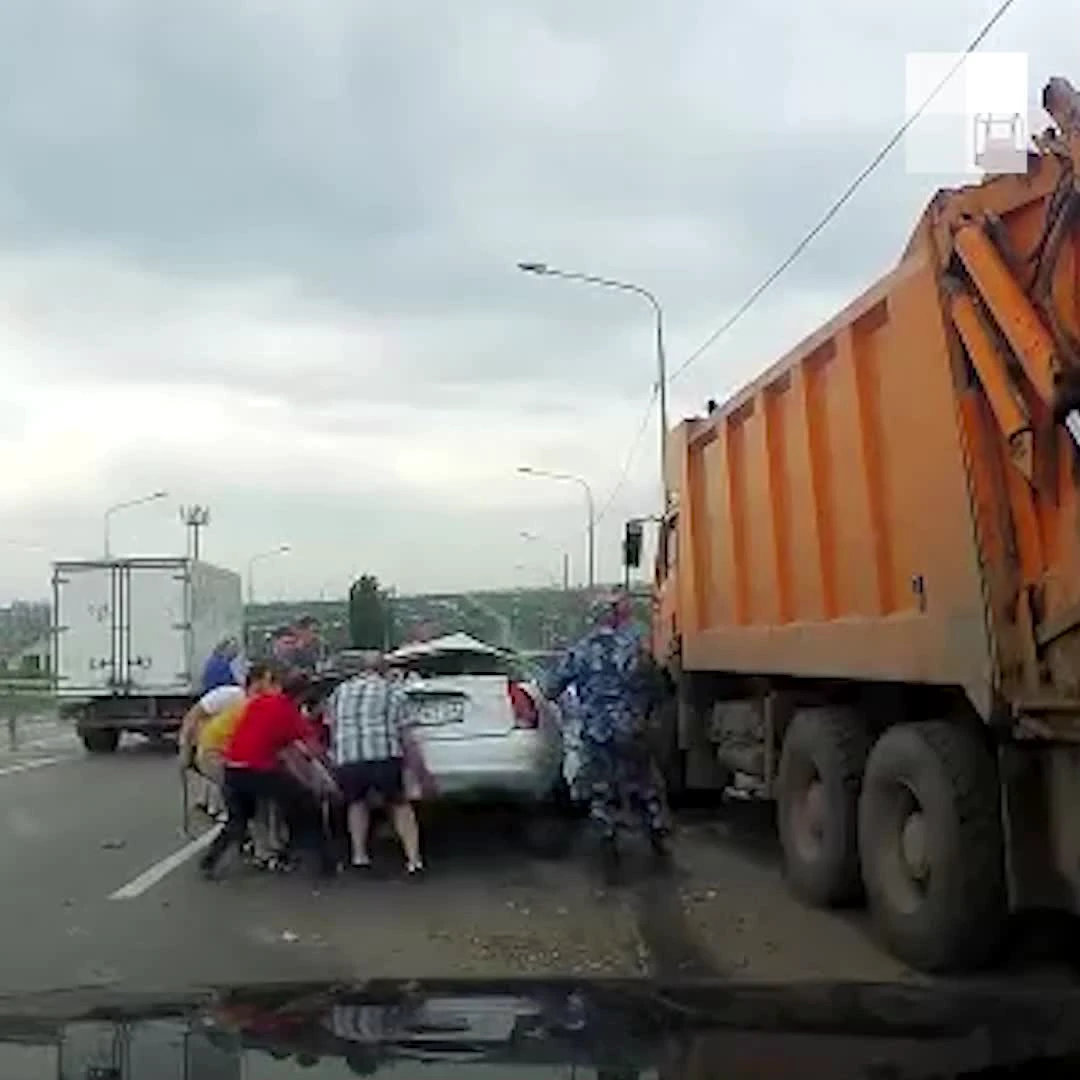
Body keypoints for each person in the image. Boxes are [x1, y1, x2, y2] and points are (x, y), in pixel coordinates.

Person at [541, 590, 671, 878]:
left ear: (593, 619)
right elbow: (659, 688)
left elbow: (551, 688)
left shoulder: (580, 651)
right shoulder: (636, 648)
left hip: (597, 730)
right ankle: (656, 829)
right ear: (615, 617)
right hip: (633, 726)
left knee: (601, 786)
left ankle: (608, 836)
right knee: (643, 779)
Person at [198, 663, 335, 880]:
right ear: (302, 695)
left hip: (233, 768)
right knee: (307, 803)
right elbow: (312, 749)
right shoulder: (290, 713)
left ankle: (209, 862)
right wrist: (330, 768)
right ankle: (321, 860)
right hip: (258, 770)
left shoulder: (259, 702)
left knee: (238, 820)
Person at [321, 651, 427, 876]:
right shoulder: (393, 692)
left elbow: (330, 725)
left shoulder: (339, 693)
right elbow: (406, 735)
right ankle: (413, 860)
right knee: (399, 804)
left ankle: (360, 857)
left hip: (349, 758)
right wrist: (419, 771)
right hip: (383, 756)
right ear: (384, 670)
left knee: (357, 803)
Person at [179, 678, 247, 819]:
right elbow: (191, 718)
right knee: (221, 775)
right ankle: (219, 810)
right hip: (206, 741)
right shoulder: (228, 696)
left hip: (221, 743)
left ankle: (211, 805)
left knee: (220, 776)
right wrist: (184, 749)